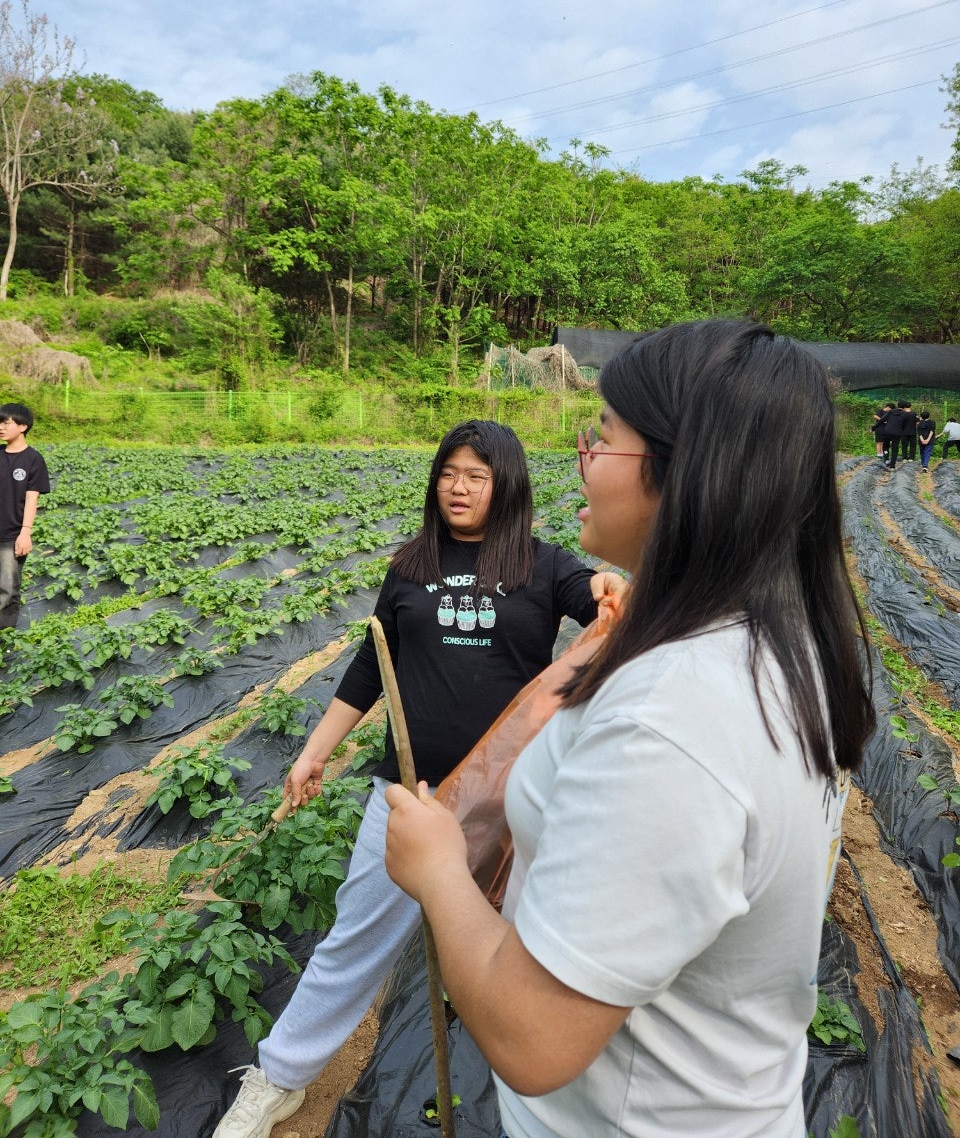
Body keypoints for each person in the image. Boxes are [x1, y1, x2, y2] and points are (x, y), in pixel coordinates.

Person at [385, 320, 875, 1138]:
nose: (581, 455)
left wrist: (438, 870)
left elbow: (533, 1036)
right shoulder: (774, 648)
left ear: (685, 470)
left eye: (603, 435)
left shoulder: (674, 719)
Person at [213, 419, 624, 1138]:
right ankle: (279, 1078)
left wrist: (608, 585)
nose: (458, 488)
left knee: (538, 950)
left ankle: (556, 1109)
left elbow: (606, 609)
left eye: (476, 476)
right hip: (411, 792)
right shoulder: (410, 568)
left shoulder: (544, 565)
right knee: (355, 939)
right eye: (448, 473)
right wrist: (315, 751)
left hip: (512, 803)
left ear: (507, 486)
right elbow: (374, 665)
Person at [0, 403, 50, 635]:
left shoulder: (33, 460)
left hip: (11, 534)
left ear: (23, 426)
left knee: (8, 588)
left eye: (5, 423)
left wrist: (25, 532)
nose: (1, 427)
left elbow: (32, 499)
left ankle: (4, 635)